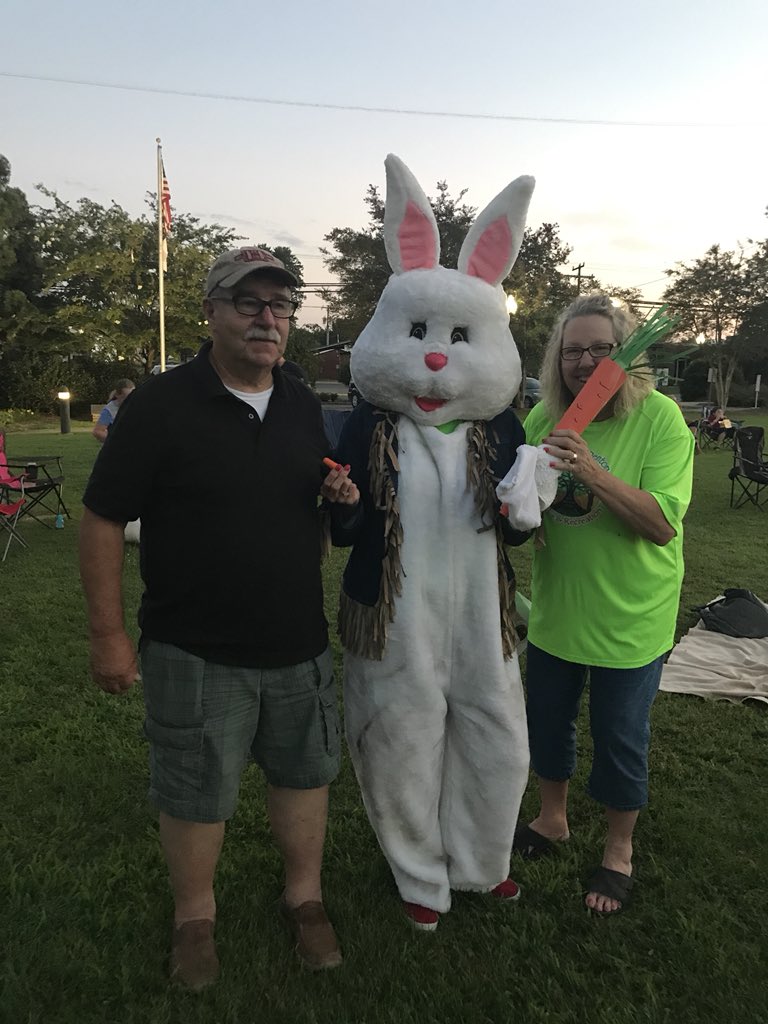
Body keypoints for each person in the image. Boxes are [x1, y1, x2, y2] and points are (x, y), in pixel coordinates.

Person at [79, 246, 359, 990]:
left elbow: (304, 494)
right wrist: (108, 636)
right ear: (210, 312)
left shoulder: (302, 402)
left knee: (304, 776)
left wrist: (334, 500)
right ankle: (194, 918)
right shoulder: (161, 406)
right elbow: (103, 518)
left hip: (297, 642)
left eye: (281, 306)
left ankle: (306, 900)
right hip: (193, 647)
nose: (267, 319)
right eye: (248, 303)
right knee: (195, 790)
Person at [513, 293, 694, 915]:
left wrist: (590, 471)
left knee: (618, 736)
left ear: (626, 356)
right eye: (572, 350)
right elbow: (525, 492)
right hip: (556, 611)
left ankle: (619, 851)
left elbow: (662, 523)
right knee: (547, 722)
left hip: (630, 617)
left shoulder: (661, 419)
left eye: (600, 349)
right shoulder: (546, 418)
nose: (585, 362)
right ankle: (552, 819)